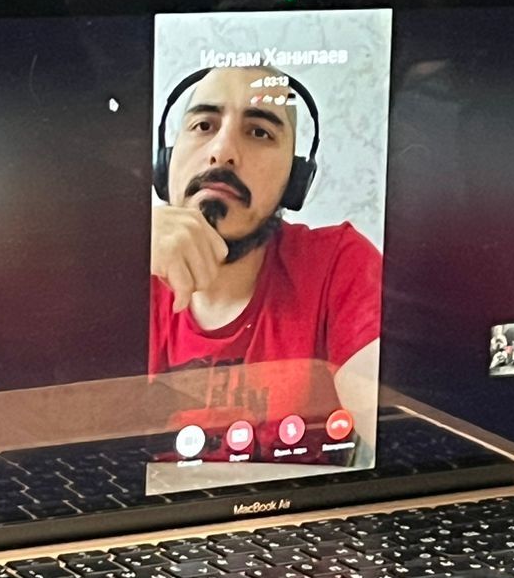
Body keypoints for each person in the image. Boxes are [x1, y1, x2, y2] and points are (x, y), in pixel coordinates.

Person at [150, 64, 382, 463]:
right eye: (203, 125)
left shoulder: (338, 264)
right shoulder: (114, 266)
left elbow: (409, 430)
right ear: (166, 161)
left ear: (294, 179)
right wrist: (112, 260)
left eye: (259, 132)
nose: (222, 151)